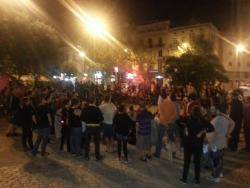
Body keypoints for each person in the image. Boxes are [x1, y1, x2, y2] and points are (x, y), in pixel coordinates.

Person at [180, 106, 214, 185]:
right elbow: (212, 128)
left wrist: (185, 128)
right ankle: (197, 180)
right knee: (197, 162)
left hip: (188, 143)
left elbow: (178, 122)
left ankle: (184, 179)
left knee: (187, 162)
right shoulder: (202, 120)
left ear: (191, 111)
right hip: (197, 144)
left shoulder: (188, 118)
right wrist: (203, 131)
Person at [208, 106, 235, 183]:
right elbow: (233, 123)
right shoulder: (225, 119)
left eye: (213, 109)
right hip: (223, 142)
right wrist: (228, 133)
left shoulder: (214, 120)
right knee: (220, 158)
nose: (211, 111)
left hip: (216, 143)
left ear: (218, 110)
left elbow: (212, 134)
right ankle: (220, 173)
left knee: (215, 160)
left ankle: (215, 177)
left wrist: (210, 144)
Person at [155, 94, 177, 158]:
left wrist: (165, 122)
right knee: (171, 139)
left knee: (159, 139)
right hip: (171, 124)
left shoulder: (161, 104)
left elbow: (161, 114)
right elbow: (175, 115)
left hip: (162, 123)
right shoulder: (172, 104)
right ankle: (173, 154)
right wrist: (169, 120)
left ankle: (157, 153)